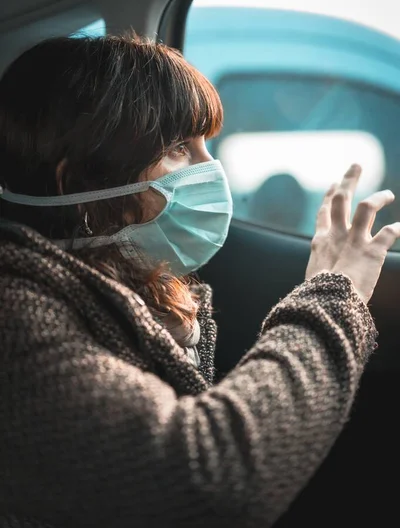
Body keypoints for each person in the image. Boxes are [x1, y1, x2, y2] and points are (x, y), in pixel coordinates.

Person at [0, 34, 398, 528]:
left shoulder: (140, 286)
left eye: (204, 145)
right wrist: (335, 295)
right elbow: (203, 477)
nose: (212, 169)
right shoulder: (14, 319)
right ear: (78, 185)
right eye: (176, 149)